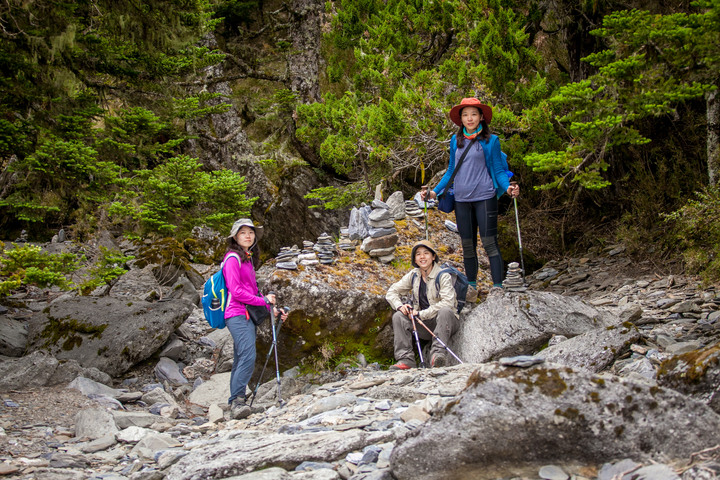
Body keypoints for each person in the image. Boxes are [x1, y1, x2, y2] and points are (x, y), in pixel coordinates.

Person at [422, 97, 519, 302]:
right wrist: (435, 193)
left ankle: (497, 287)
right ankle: (472, 286)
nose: (470, 118)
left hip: (485, 197)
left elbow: (499, 170)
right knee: (467, 245)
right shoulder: (454, 140)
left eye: (474, 114)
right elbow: (450, 171)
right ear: (461, 118)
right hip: (461, 200)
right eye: (465, 114)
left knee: (489, 243)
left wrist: (508, 188)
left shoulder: (491, 141)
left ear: (482, 117)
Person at [223, 218, 287, 419]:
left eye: (250, 233)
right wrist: (264, 301)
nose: (248, 236)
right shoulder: (233, 258)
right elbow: (236, 291)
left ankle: (235, 400)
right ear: (235, 237)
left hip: (246, 314)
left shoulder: (247, 259)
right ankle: (238, 403)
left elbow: (251, 292)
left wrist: (272, 309)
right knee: (248, 356)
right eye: (243, 233)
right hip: (236, 314)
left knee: (241, 357)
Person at [385, 240, 459, 369]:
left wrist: (420, 313)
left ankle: (437, 355)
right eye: (418, 254)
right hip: (424, 324)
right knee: (398, 316)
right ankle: (406, 359)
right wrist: (399, 306)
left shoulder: (443, 275)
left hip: (445, 323)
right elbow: (392, 291)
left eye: (426, 253)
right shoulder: (414, 275)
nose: (422, 257)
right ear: (415, 258)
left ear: (433, 256)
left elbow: (448, 302)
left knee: (445, 311)